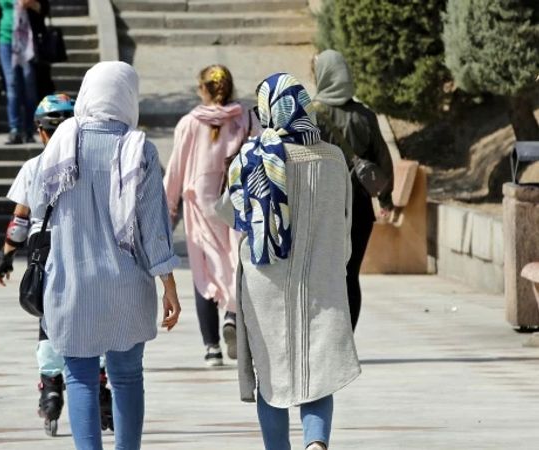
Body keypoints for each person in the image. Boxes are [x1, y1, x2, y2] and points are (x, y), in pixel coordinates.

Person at [27, 61, 182, 450]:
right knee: (127, 376)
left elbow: (37, 205)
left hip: (70, 281)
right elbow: (153, 226)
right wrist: (169, 283)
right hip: (126, 284)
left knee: (78, 376)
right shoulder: (137, 148)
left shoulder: (62, 141)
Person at [216, 73, 360, 450]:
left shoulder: (251, 157)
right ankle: (316, 443)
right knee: (318, 370)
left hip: (266, 283)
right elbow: (346, 222)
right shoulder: (334, 158)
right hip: (323, 279)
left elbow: (230, 215)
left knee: (271, 374)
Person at [0, 93, 115, 436]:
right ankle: (101, 388)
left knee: (51, 319)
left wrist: (4, 256)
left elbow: (19, 221)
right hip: (90, 249)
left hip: (43, 252)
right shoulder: (96, 162)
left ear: (40, 132)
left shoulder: (33, 167)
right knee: (93, 316)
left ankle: (50, 389)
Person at [164, 64, 259, 367]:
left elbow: (176, 169)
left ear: (203, 89)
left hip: (200, 207)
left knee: (203, 270)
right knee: (235, 264)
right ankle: (232, 315)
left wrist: (167, 210)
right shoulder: (246, 117)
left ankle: (212, 347)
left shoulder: (191, 123)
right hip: (236, 202)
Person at [313, 49, 394, 331]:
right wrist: (386, 198)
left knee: (323, 273)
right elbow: (382, 158)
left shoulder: (311, 114)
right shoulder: (366, 116)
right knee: (350, 274)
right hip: (359, 207)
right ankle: (346, 335)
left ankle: (326, 334)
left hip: (321, 206)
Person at [0, 0, 54, 122]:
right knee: (11, 83)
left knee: (29, 83)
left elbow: (43, 9)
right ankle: (14, 128)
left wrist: (31, 4)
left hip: (29, 43)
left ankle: (29, 127)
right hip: (5, 41)